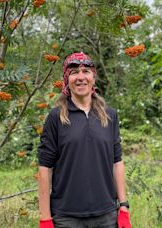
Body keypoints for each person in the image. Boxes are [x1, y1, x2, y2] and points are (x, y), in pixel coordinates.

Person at [37, 52, 132, 228]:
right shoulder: (55, 118)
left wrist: (124, 206)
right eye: (74, 72)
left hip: (107, 216)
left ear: (93, 77)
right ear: (67, 79)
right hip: (66, 217)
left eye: (86, 71)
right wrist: (45, 218)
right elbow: (45, 169)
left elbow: (117, 163)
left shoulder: (110, 116)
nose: (81, 77)